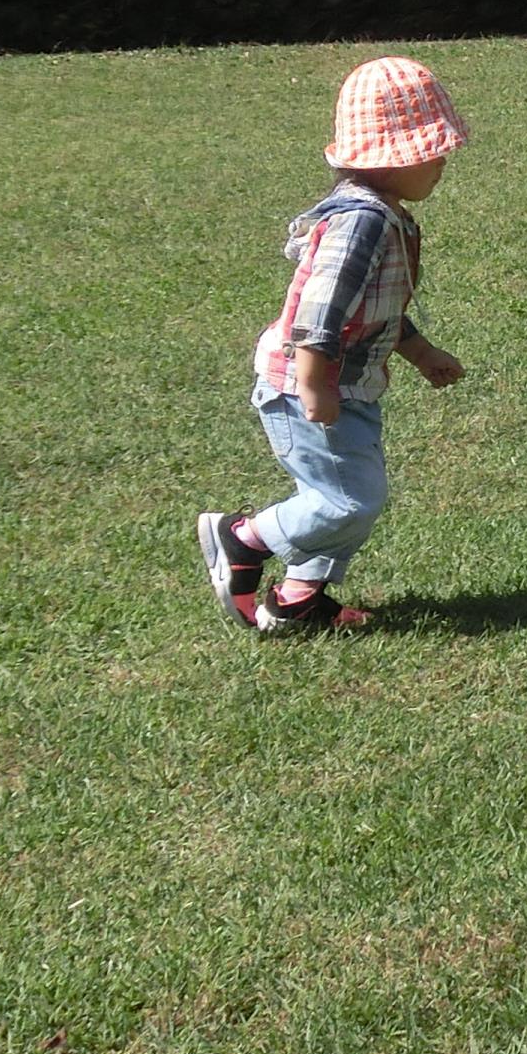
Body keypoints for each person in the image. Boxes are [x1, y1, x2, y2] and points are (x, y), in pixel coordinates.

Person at [197, 56, 468, 633]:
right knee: (348, 499)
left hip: (348, 386)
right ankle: (243, 539)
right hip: (307, 387)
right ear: (391, 160)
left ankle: (298, 602)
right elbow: (318, 311)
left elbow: (374, 310)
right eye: (433, 152)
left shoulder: (386, 214)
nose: (443, 161)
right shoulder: (361, 223)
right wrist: (314, 384)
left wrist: (421, 353)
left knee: (348, 494)